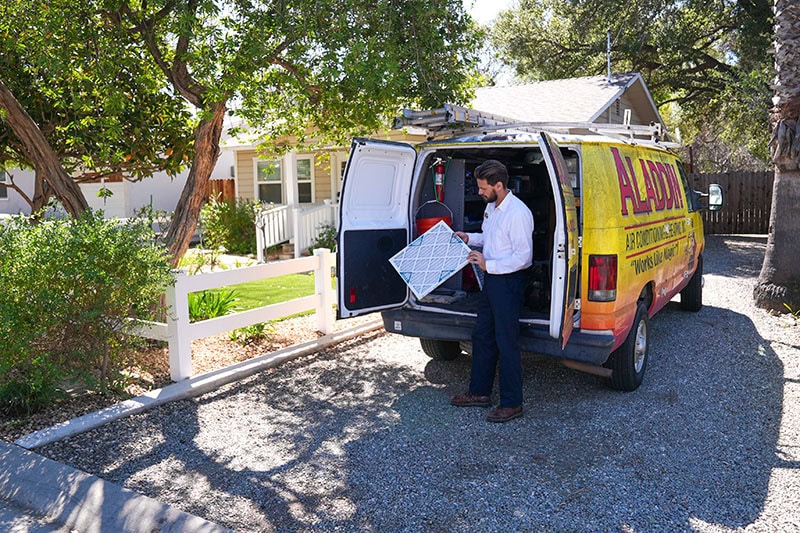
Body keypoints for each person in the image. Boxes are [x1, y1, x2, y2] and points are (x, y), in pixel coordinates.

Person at [450, 160, 534, 423]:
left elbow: (524, 257)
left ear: (499, 185)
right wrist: (469, 238)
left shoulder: (518, 213)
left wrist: (489, 264)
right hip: (492, 279)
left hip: (508, 281)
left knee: (506, 341)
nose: (479, 192)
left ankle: (512, 403)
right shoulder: (492, 207)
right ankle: (479, 392)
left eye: (483, 187)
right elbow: (490, 239)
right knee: (482, 334)